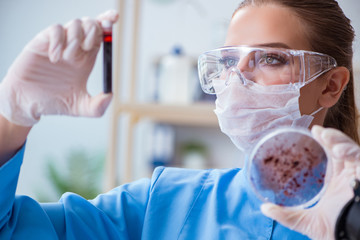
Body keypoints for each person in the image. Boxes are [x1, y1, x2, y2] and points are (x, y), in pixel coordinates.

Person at [0, 1, 359, 239]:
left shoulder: (351, 208)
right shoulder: (165, 202)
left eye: (271, 59)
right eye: (229, 62)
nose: (238, 78)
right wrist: (10, 120)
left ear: (330, 86)